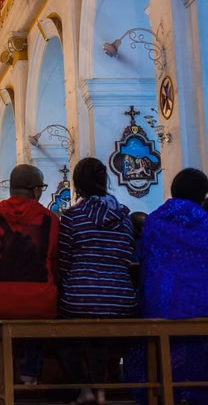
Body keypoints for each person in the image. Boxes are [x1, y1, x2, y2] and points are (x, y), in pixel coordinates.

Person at [0, 165, 59, 390]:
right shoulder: (51, 219)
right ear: (35, 191)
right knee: (40, 304)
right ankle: (30, 375)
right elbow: (55, 264)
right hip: (40, 303)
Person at [57, 158, 137, 405]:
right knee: (100, 326)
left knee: (57, 332)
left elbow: (63, 261)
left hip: (79, 299)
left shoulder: (72, 217)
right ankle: (102, 389)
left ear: (77, 186)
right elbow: (127, 254)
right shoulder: (125, 217)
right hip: (121, 299)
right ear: (105, 181)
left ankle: (85, 389)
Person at [126, 169, 208, 404]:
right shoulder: (204, 222)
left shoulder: (153, 221)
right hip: (202, 305)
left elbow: (148, 260)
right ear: (203, 194)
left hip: (160, 305)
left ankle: (159, 393)